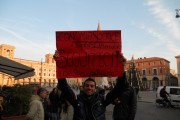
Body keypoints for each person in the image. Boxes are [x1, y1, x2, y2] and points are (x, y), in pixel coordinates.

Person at [54, 50, 127, 120]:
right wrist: (59, 64)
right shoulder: (76, 99)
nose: (89, 88)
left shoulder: (102, 100)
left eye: (92, 86)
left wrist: (122, 68)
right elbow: (63, 86)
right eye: (87, 85)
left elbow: (119, 87)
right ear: (83, 87)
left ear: (95, 88)